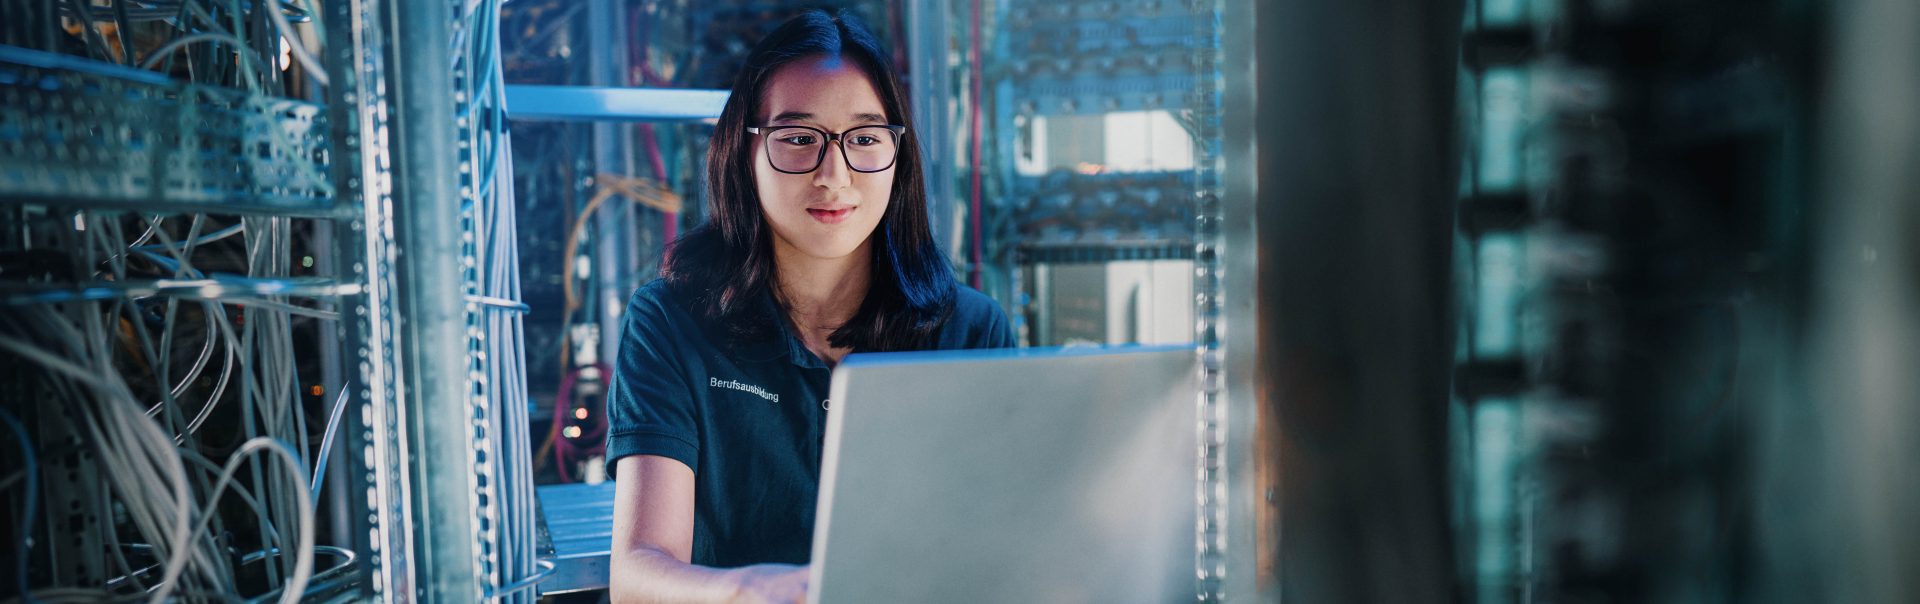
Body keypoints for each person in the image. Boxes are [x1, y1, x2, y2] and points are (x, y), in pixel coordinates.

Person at [604, 9, 1014, 603]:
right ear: (743, 153)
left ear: (899, 159)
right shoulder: (672, 321)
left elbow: (998, 545)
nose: (834, 174)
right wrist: (754, 591)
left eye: (865, 139)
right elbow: (638, 573)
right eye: (799, 139)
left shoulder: (970, 330)